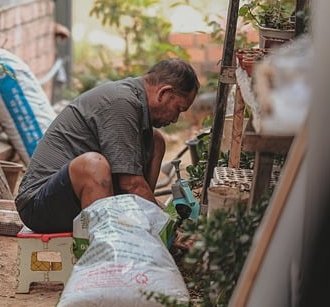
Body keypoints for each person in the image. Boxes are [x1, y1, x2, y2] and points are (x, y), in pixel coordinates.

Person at [15, 58, 200, 233]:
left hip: (76, 198)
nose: (175, 119)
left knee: (156, 141)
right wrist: (170, 231)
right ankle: (107, 249)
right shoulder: (122, 102)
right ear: (164, 93)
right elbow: (131, 184)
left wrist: (168, 220)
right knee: (93, 164)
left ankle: (142, 229)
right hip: (38, 204)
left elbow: (139, 194)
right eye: (178, 109)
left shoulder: (133, 102)